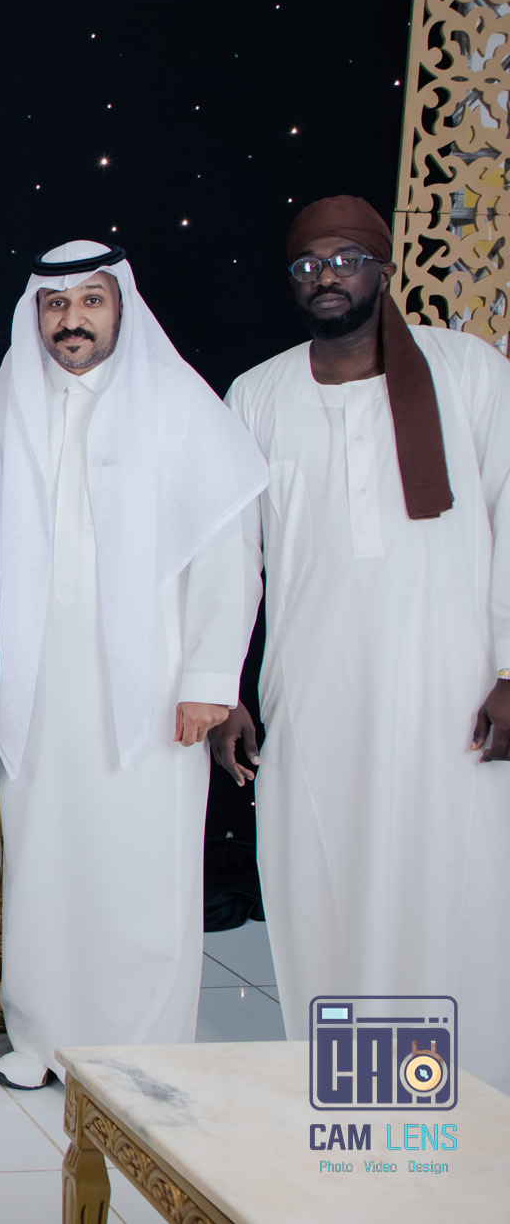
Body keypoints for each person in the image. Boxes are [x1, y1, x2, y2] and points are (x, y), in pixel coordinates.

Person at [215, 196, 510, 1090]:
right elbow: (230, 555)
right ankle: (359, 1086)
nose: (328, 277)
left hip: (450, 686)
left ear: (383, 267)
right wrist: (222, 684)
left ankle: (473, 1090)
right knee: (323, 880)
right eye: (309, 264)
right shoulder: (257, 394)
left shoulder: (468, 371)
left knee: (450, 877)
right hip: (315, 688)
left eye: (346, 259)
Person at [0, 241, 265, 1092]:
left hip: (154, 684)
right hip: (40, 681)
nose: (71, 320)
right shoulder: (8, 397)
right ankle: (41, 1036)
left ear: (121, 308)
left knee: (145, 866)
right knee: (45, 857)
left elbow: (228, 548)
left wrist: (210, 679)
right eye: (55, 303)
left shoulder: (178, 401)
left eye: (91, 301)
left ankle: (143, 1048)